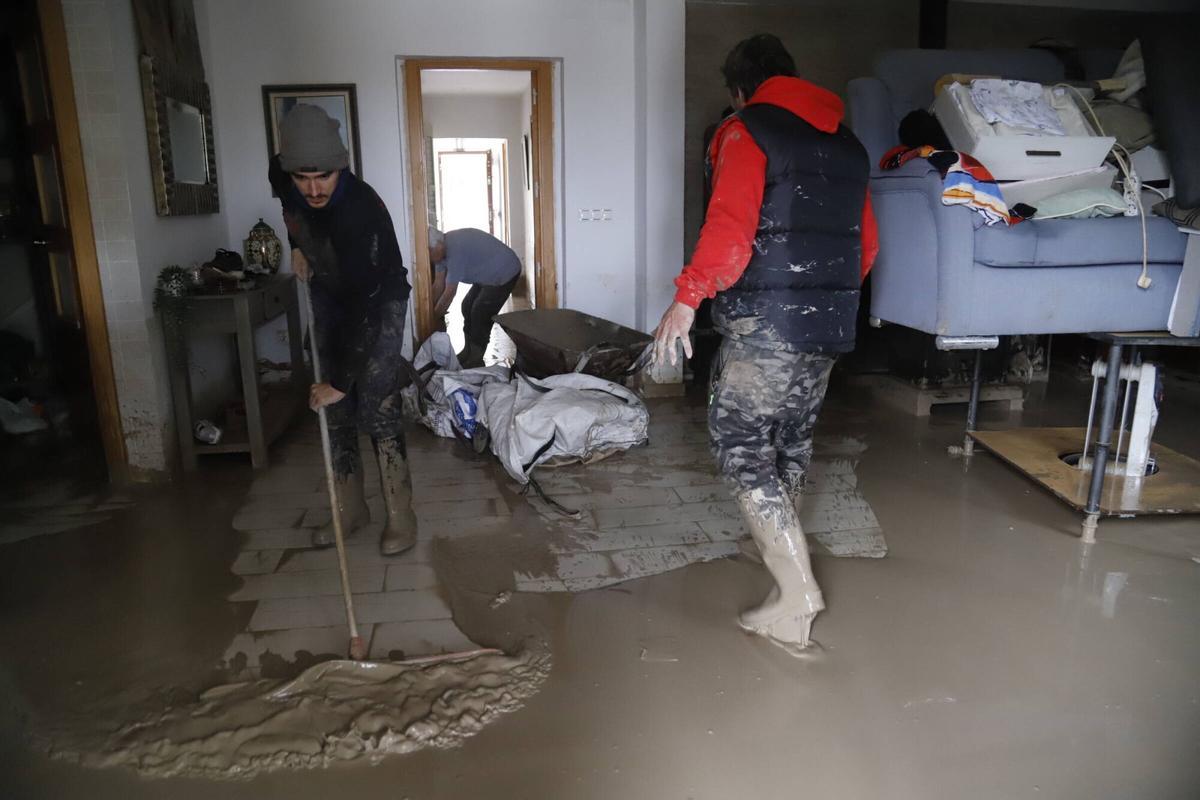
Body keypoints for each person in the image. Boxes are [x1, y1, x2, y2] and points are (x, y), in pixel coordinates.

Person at [651, 34, 878, 655]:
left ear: (740, 89)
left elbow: (730, 228)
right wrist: (824, 301)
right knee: (791, 438)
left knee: (741, 439)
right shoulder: (850, 144)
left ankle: (795, 592)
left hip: (767, 323)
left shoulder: (746, 129)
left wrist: (688, 297)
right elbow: (866, 246)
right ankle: (778, 547)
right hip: (829, 322)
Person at [269, 104, 416, 556]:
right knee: (331, 407)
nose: (312, 189)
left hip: (377, 299)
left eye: (324, 178)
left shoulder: (361, 212)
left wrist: (340, 380)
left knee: (375, 401)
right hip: (330, 289)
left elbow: (365, 310)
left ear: (342, 167)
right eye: (303, 178)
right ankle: (350, 510)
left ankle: (401, 516)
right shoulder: (284, 175)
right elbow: (287, 200)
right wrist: (297, 245)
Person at [427, 227, 521, 367]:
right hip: (487, 272)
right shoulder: (440, 252)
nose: (429, 257)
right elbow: (438, 284)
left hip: (504, 271)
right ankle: (468, 351)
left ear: (438, 247)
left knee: (480, 312)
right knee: (466, 306)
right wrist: (430, 312)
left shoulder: (455, 251)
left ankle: (476, 357)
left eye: (430, 253)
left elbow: (449, 294)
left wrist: (433, 318)